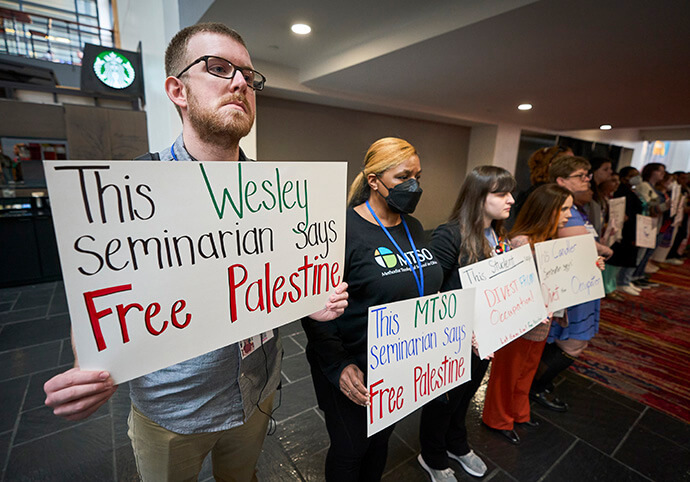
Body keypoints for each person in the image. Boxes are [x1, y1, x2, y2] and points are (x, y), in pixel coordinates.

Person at [43, 23, 349, 482]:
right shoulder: (128, 193)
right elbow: (101, 305)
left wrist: (313, 300)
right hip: (173, 410)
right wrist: (87, 368)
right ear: (177, 90)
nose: (241, 83)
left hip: (257, 392)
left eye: (248, 74)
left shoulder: (279, 196)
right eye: (219, 68)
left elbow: (273, 282)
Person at [302, 137, 443, 481]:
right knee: (351, 449)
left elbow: (423, 288)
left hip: (397, 360)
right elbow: (315, 307)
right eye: (403, 177)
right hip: (352, 363)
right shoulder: (341, 230)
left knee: (380, 440)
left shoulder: (414, 227)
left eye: (418, 177)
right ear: (373, 180)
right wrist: (338, 365)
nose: (414, 186)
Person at [418, 166, 516, 478]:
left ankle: (456, 444)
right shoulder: (449, 235)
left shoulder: (497, 235)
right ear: (478, 197)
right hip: (453, 338)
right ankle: (432, 457)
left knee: (466, 394)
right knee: (443, 401)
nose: (511, 199)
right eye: (501, 193)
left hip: (484, 338)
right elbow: (430, 293)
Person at [482, 184, 574, 444]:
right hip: (518, 321)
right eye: (564, 209)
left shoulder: (551, 242)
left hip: (541, 321)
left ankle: (518, 412)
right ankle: (497, 418)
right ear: (547, 210)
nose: (569, 214)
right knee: (508, 372)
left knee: (527, 370)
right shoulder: (522, 242)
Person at [529, 156, 612, 411]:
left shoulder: (577, 207)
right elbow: (584, 245)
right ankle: (535, 387)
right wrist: (598, 250)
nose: (587, 180)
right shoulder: (563, 210)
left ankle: (535, 386)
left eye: (588, 175)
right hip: (570, 285)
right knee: (572, 342)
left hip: (578, 282)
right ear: (561, 181)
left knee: (566, 340)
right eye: (580, 176)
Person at [608, 167, 646, 296]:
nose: (637, 177)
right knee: (616, 258)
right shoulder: (622, 192)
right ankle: (613, 285)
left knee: (624, 259)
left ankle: (617, 283)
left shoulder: (632, 191)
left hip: (633, 227)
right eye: (633, 175)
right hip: (625, 229)